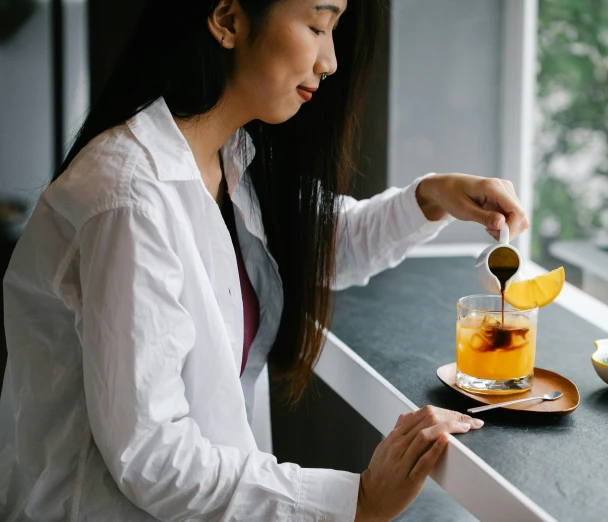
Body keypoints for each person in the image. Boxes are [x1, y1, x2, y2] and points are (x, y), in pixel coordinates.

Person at [0, 0, 529, 520]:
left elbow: (318, 244)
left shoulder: (224, 158)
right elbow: (152, 457)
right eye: (318, 25)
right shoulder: (130, 198)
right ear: (227, 19)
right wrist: (359, 500)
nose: (330, 61)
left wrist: (434, 195)